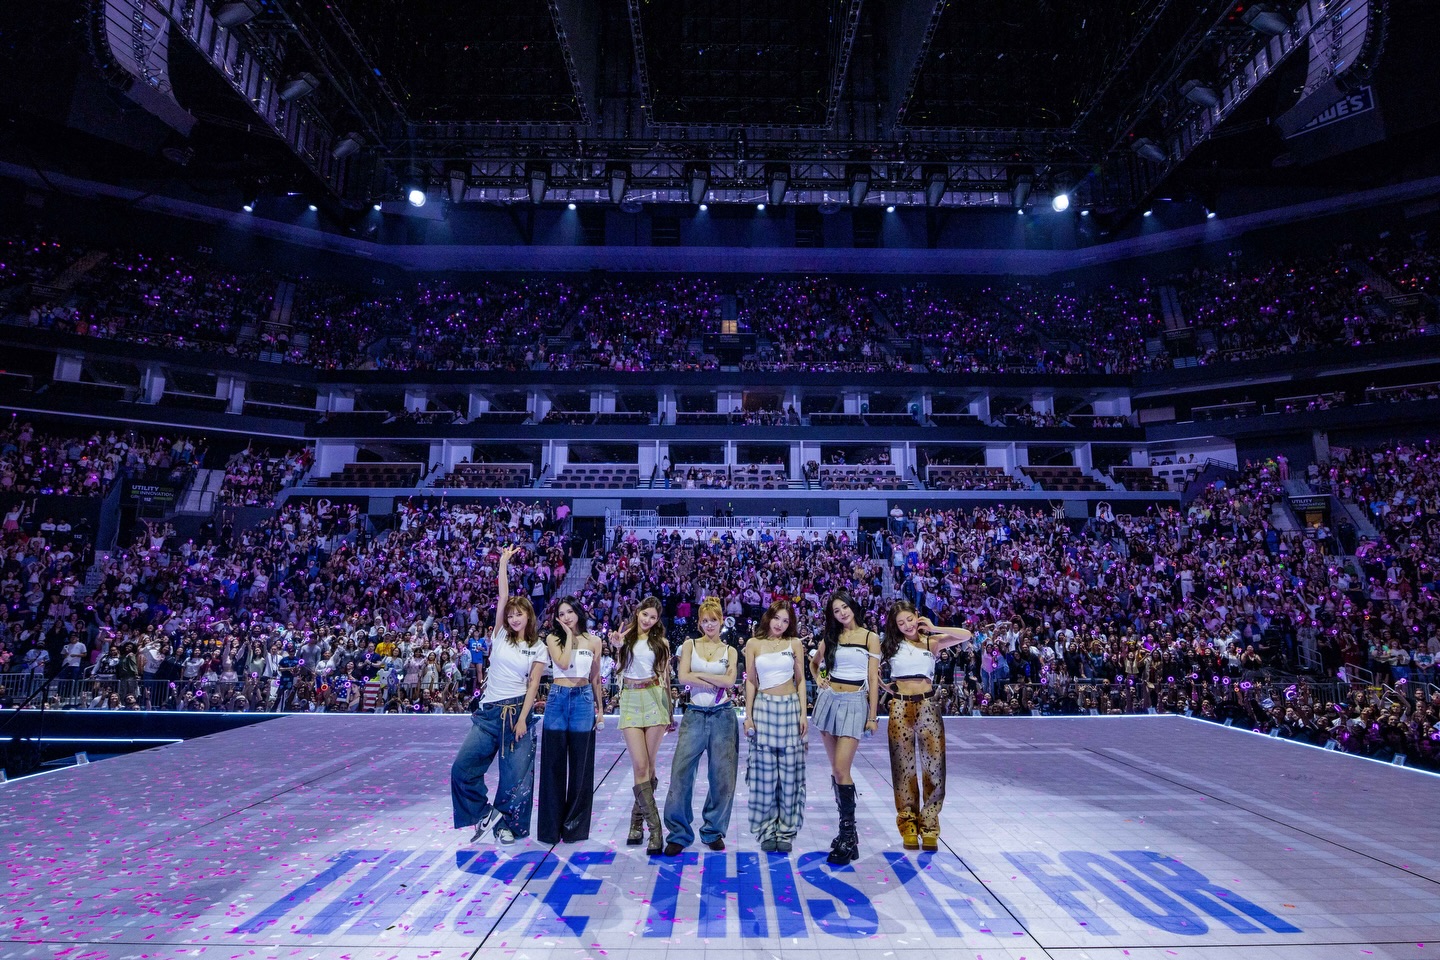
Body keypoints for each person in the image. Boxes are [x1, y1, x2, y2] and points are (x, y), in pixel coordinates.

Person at [451, 545, 550, 845]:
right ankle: (486, 814)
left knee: (514, 780)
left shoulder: (538, 647)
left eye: (520, 614)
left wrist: (522, 720)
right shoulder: (500, 635)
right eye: (511, 615)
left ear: (529, 615)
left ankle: (506, 827)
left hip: (518, 712)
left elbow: (533, 685)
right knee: (462, 770)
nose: (514, 618)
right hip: (489, 713)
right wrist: (503, 563)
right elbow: (503, 595)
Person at [881, 600, 972, 851]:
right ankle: (908, 824)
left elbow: (966, 634)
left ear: (917, 616)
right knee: (903, 768)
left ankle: (930, 825)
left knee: (934, 765)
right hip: (899, 706)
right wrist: (884, 686)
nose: (907, 625)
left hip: (927, 705)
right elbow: (872, 668)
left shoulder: (932, 641)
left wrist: (933, 627)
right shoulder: (890, 645)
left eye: (909, 619)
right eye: (900, 623)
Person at [663, 597, 739, 855]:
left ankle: (713, 830)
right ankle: (678, 833)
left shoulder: (730, 651)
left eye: (714, 620)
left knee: (722, 777)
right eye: (705, 620)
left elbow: (729, 682)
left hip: (723, 715)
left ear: (721, 621)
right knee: (681, 773)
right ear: (699, 623)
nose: (709, 625)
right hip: (695, 713)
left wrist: (699, 676)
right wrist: (714, 679)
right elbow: (682, 676)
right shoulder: (689, 645)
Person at [810, 589, 880, 865]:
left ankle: (848, 835)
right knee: (837, 771)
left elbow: (872, 679)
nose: (841, 613)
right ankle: (847, 836)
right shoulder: (831, 636)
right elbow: (815, 664)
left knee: (842, 769)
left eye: (844, 607)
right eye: (836, 611)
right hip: (829, 701)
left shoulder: (870, 637)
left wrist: (873, 716)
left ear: (852, 606)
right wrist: (819, 679)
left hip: (855, 702)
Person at [743, 599, 808, 853]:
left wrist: (803, 714)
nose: (780, 624)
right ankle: (766, 830)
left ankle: (786, 831)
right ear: (768, 617)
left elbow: (801, 681)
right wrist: (748, 715)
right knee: (764, 776)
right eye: (777, 618)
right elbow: (750, 681)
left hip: (790, 708)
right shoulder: (753, 644)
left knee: (790, 777)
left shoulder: (795, 644)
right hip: (763, 709)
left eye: (785, 620)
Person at [537, 596, 603, 844]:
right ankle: (550, 829)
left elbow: (595, 677)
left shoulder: (594, 641)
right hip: (557, 698)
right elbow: (563, 663)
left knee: (581, 766)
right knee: (553, 764)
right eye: (561, 614)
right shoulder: (553, 639)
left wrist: (600, 708)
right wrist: (566, 634)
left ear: (578, 612)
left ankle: (575, 828)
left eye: (569, 612)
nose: (566, 617)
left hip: (583, 700)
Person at [610, 596, 672, 854]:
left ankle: (637, 823)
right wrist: (617, 645)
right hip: (631, 700)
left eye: (653, 617)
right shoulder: (625, 638)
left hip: (654, 698)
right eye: (645, 614)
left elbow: (665, 678)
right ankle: (655, 830)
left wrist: (669, 711)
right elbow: (621, 667)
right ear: (637, 613)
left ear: (657, 620)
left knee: (650, 765)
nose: (648, 620)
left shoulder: (662, 643)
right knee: (640, 765)